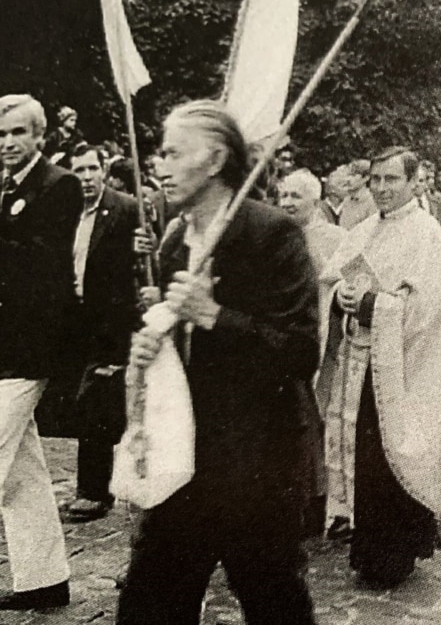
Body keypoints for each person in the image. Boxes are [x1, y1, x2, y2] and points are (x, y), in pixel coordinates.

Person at [119, 100, 318, 624]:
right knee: (150, 602)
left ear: (214, 160)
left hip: (257, 463)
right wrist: (148, 349)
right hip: (184, 456)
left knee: (272, 598)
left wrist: (214, 314)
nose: (157, 164)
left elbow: (300, 350)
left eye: (170, 152)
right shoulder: (171, 243)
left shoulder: (270, 233)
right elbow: (174, 344)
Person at [320, 147, 441, 588]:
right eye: (375, 179)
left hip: (404, 367)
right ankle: (368, 547)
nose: (381, 188)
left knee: (392, 455)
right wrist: (340, 297)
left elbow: (428, 303)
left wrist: (373, 303)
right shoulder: (361, 231)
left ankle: (397, 554)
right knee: (368, 456)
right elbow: (334, 279)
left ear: (414, 182)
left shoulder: (427, 233)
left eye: (391, 179)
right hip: (362, 361)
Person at [0, 94, 76, 611]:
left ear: (39, 136)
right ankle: (44, 579)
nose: (8, 144)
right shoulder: (4, 189)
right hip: (5, 347)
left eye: (18, 134)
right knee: (23, 469)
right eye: (1, 135)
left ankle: (43, 578)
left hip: (31, 348)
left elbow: (42, 269)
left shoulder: (59, 185)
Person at [50, 144, 142, 522]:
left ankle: (94, 492)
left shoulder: (125, 208)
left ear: (103, 169)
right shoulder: (65, 209)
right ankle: (89, 487)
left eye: (92, 170)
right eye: (79, 171)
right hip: (74, 318)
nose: (86, 178)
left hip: (111, 322)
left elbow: (139, 264)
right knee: (79, 402)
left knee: (97, 404)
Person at [277, 168, 348, 533]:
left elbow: (351, 281)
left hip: (325, 340)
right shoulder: (273, 236)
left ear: (316, 202)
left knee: (320, 420)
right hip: (282, 340)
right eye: (283, 195)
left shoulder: (335, 237)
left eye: (296, 197)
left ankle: (322, 504)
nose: (287, 203)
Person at [337, 159, 377, 230]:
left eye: (353, 175)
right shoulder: (347, 201)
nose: (347, 179)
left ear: (366, 178)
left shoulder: (372, 202)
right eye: (347, 175)